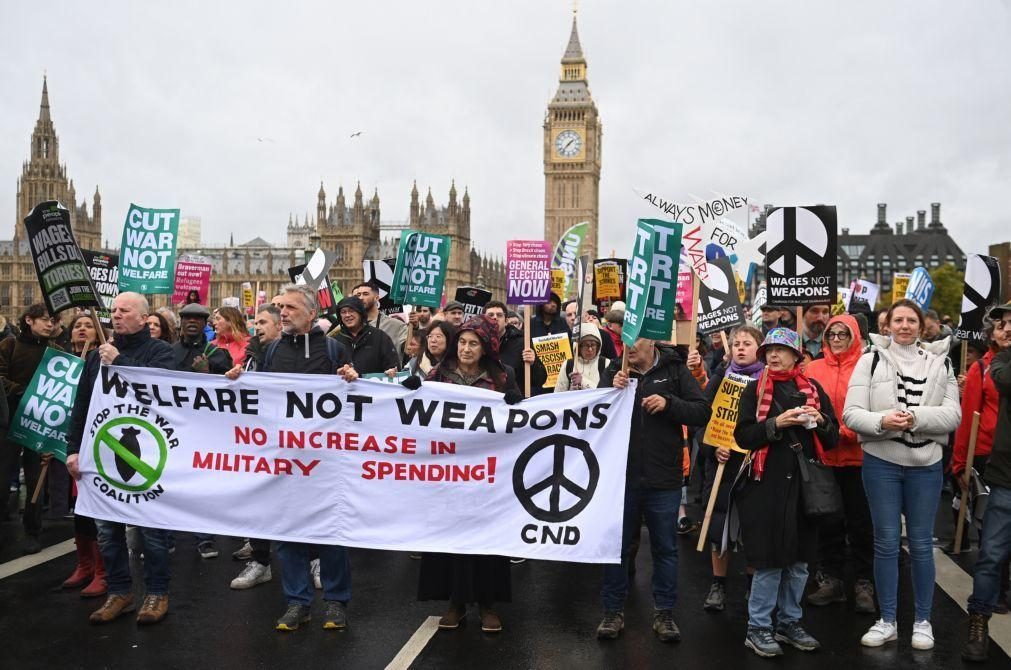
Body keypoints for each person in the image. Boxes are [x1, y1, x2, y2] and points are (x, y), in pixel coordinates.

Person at [231, 284, 357, 631]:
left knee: (330, 535)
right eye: (280, 307)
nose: (282, 313)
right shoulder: (271, 352)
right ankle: (297, 602)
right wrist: (238, 382)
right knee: (289, 536)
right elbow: (260, 395)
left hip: (326, 460)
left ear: (311, 314)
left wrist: (351, 377)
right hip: (286, 459)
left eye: (289, 307)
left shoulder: (334, 348)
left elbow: (356, 398)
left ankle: (335, 602)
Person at [844, 298, 961, 650]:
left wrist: (915, 417)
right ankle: (888, 620)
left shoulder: (943, 364)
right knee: (886, 542)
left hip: (926, 465)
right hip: (881, 462)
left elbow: (953, 415)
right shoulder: (869, 360)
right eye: (899, 320)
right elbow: (851, 414)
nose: (905, 326)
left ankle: (923, 620)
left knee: (923, 544)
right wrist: (882, 421)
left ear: (922, 326)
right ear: (888, 325)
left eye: (912, 320)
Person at [66, 292, 175, 625]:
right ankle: (120, 592)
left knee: (151, 532)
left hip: (148, 454)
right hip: (104, 453)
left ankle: (157, 593)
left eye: (124, 311)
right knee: (107, 531)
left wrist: (121, 363)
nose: (116, 315)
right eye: (113, 310)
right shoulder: (97, 357)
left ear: (143, 318)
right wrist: (72, 447)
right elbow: (82, 404)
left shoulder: (162, 352)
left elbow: (165, 391)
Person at [596, 336, 711, 643]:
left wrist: (669, 403)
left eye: (636, 341)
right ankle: (612, 612)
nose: (629, 347)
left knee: (665, 549)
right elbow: (594, 419)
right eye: (625, 340)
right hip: (622, 478)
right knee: (617, 549)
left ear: (651, 342)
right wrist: (609, 393)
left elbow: (702, 411)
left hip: (664, 478)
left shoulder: (674, 370)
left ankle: (664, 614)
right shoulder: (614, 371)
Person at [732, 327, 839, 657]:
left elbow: (832, 438)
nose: (773, 356)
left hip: (805, 489)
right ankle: (758, 627)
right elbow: (744, 437)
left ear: (797, 355)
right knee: (769, 561)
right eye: (769, 351)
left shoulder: (814, 389)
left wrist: (819, 420)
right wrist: (776, 425)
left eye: (781, 350)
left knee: (800, 562)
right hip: (766, 487)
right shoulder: (754, 389)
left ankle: (790, 622)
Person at [418, 316, 522, 633]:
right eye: (462, 342)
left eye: (473, 343)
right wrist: (410, 391)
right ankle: (456, 603)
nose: (465, 348)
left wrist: (519, 404)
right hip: (448, 475)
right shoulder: (437, 376)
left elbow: (521, 423)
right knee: (453, 541)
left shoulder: (504, 377)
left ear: (485, 348)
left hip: (489, 476)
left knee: (486, 541)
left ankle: (488, 605)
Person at [804, 314, 875, 614]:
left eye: (843, 334)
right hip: (825, 459)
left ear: (854, 336)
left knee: (861, 524)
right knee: (828, 521)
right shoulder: (813, 367)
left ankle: (863, 582)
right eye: (831, 334)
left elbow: (875, 409)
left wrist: (842, 432)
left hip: (859, 458)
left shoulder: (869, 366)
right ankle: (831, 580)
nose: (835, 339)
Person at [700, 325, 764, 612]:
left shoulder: (766, 382)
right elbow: (701, 418)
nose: (740, 347)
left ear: (759, 348)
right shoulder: (719, 379)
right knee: (718, 524)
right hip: (723, 463)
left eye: (747, 343)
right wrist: (714, 448)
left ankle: (752, 586)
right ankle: (718, 584)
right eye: (736, 343)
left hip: (753, 462)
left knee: (752, 526)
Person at [962, 302, 1011, 662]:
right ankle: (979, 623)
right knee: (991, 555)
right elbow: (1004, 380)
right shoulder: (1000, 363)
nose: (1007, 328)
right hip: (1006, 477)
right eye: (1004, 323)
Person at [226, 304, 283, 584]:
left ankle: (314, 559)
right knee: (258, 501)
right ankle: (261, 561)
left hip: (288, 440)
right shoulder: (251, 357)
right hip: (257, 440)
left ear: (279, 325)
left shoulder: (291, 353)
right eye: (255, 323)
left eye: (262, 322)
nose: (256, 327)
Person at [0, 304, 60, 554]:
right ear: (29, 320)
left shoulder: (56, 352)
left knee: (36, 479)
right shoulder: (9, 346)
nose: (50, 325)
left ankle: (32, 531)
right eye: (45, 320)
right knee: (2, 477)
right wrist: (22, 392)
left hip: (39, 424)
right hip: (9, 420)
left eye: (53, 320)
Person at [60, 312, 107, 598]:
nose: (83, 329)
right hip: (71, 439)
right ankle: (84, 564)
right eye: (78, 325)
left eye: (89, 325)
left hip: (97, 439)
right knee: (77, 507)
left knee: (94, 506)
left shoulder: (103, 358)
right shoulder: (59, 361)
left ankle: (102, 570)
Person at [482, 300, 544, 392]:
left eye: (499, 315)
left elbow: (540, 380)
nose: (495, 318)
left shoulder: (522, 343)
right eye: (490, 315)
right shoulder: (478, 342)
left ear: (506, 321)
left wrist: (533, 364)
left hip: (512, 401)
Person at [332, 296, 399, 375]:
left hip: (373, 386)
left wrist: (392, 371)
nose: (347, 315)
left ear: (360, 313)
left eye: (351, 311)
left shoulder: (380, 337)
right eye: (343, 312)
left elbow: (393, 366)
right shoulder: (334, 342)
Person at [351, 282, 408, 354]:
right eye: (358, 295)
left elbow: (409, 351)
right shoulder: (351, 326)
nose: (361, 298)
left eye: (365, 294)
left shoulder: (396, 326)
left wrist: (415, 327)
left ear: (377, 298)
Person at [555, 323, 609, 392]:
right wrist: (570, 392)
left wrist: (583, 382)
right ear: (579, 347)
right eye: (586, 345)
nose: (590, 349)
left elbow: (607, 393)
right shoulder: (568, 364)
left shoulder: (606, 363)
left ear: (598, 346)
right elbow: (558, 395)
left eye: (593, 345)